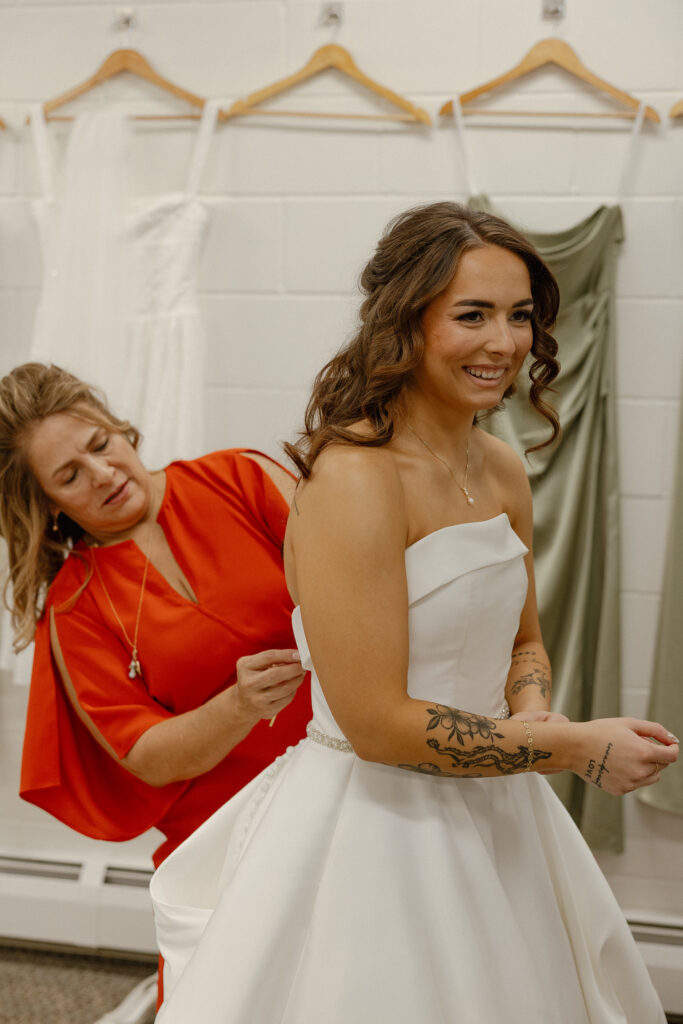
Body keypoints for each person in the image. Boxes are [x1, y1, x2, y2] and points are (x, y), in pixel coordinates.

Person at [150, 203, 677, 1023]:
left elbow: (525, 638)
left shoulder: (500, 466)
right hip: (379, 824)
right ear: (405, 322)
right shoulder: (355, 479)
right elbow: (377, 724)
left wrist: (532, 713)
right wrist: (563, 746)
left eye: (519, 316)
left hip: (501, 800)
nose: (503, 344)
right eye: (471, 316)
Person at [0, 362, 311, 871]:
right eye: (70, 476)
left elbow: (355, 582)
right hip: (226, 832)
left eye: (100, 445)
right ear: (48, 504)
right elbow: (147, 757)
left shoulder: (240, 477)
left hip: (351, 773)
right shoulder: (74, 608)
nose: (104, 474)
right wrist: (238, 706)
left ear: (120, 428)